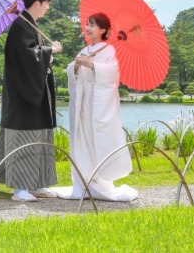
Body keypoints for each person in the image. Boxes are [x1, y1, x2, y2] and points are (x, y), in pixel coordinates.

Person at [0, 0, 63, 202]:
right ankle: (20, 187)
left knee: (39, 137)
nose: (48, 7)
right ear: (38, 3)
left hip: (35, 95)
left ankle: (38, 183)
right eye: (47, 3)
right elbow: (29, 58)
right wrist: (51, 50)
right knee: (23, 139)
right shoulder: (20, 27)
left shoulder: (29, 25)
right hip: (23, 97)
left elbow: (36, 55)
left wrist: (47, 52)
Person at [52, 12, 139, 201]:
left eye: (92, 25)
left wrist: (93, 66)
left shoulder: (108, 50)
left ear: (103, 30)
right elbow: (71, 71)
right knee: (81, 138)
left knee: (95, 138)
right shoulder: (85, 50)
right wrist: (75, 66)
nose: (88, 28)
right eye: (87, 24)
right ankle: (83, 181)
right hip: (82, 103)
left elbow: (112, 73)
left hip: (98, 103)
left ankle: (100, 181)